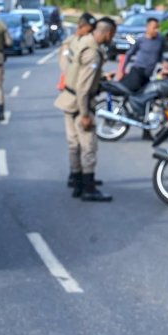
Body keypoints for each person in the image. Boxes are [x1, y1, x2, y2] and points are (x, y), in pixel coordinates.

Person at [54, 17, 117, 202]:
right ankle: (88, 188)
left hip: (68, 99)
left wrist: (101, 77)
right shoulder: (93, 53)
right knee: (88, 145)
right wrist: (85, 115)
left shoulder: (83, 42)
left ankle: (77, 182)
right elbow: (83, 87)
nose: (112, 38)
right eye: (112, 35)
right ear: (108, 33)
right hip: (80, 103)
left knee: (74, 144)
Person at [118, 17, 166, 92]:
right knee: (133, 88)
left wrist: (164, 63)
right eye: (154, 28)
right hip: (138, 70)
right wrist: (122, 70)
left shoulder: (160, 40)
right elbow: (129, 54)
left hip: (149, 72)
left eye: (158, 28)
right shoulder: (140, 40)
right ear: (147, 27)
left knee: (145, 92)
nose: (156, 30)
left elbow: (160, 55)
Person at [58, 12, 96, 78]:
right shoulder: (69, 43)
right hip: (70, 82)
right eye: (89, 31)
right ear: (80, 26)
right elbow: (66, 66)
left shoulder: (86, 43)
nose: (90, 34)